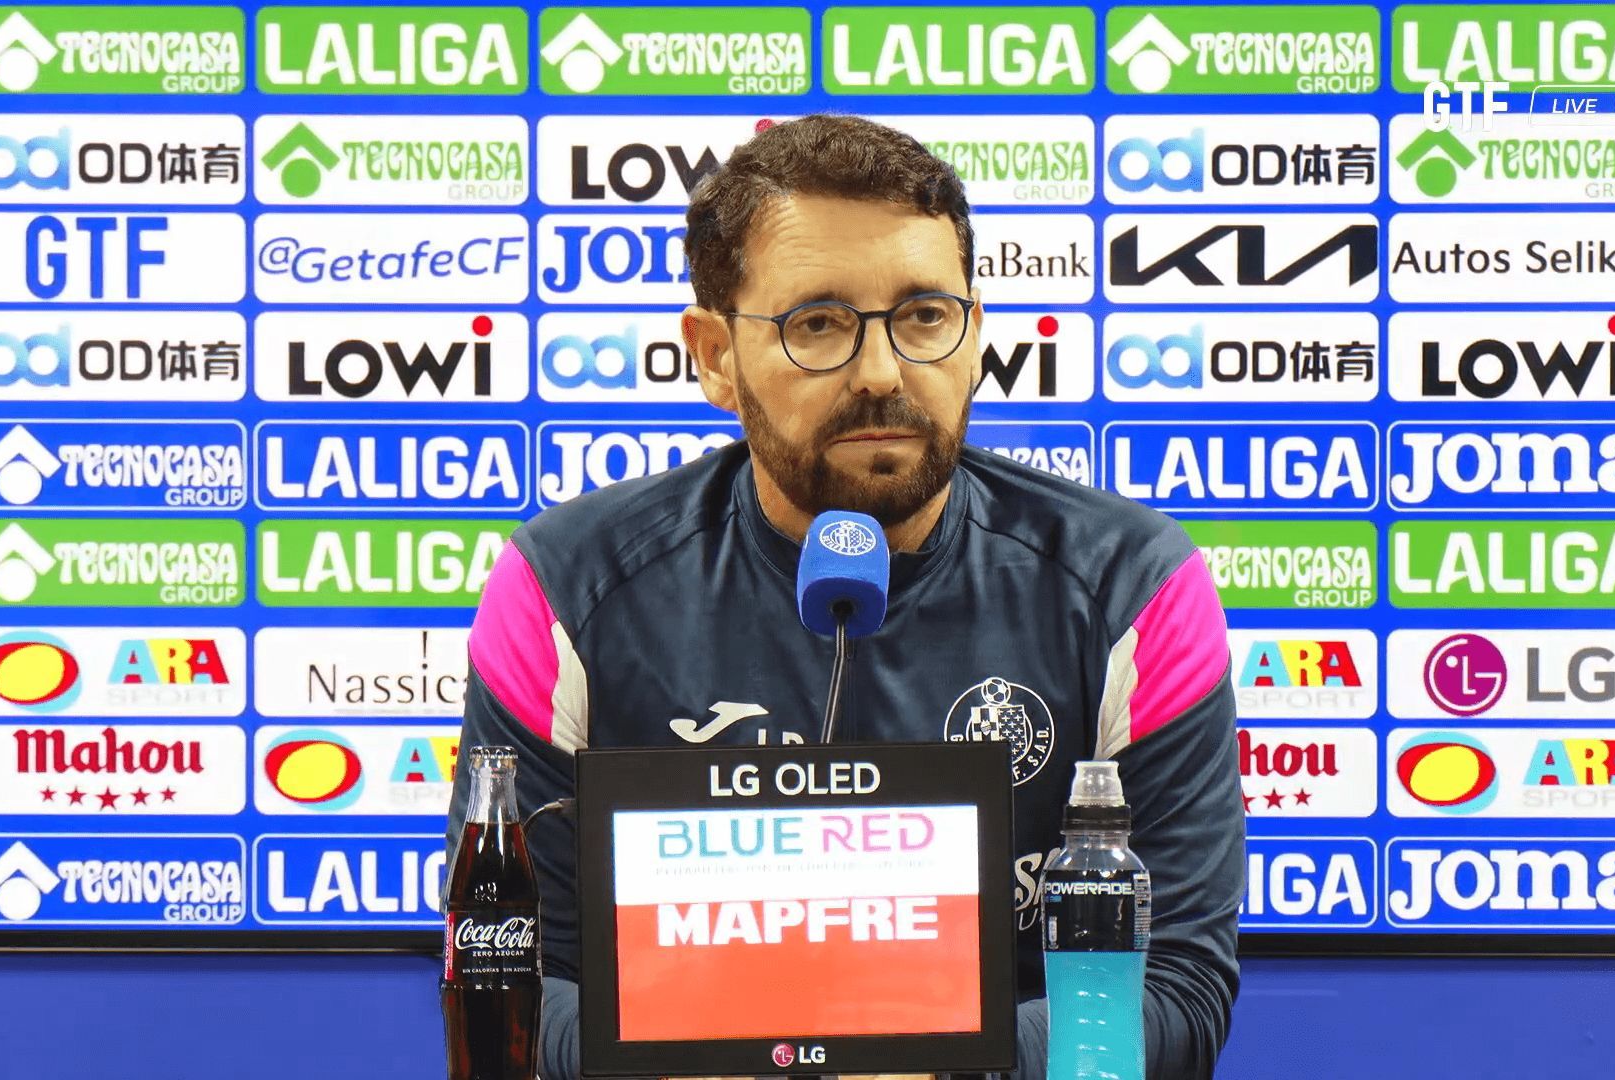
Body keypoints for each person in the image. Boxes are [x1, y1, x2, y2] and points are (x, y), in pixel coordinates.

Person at [445, 113, 1244, 1080]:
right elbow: (509, 987)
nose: (881, 373)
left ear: (976, 330)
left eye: (923, 316)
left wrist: (920, 1063)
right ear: (714, 356)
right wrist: (767, 1058)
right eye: (817, 323)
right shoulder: (564, 590)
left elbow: (1176, 998)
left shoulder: (1132, 588)